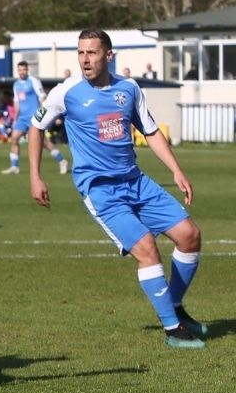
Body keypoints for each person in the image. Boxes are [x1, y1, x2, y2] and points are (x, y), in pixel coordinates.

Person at [29, 29, 206, 349]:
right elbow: (36, 126)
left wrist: (176, 170)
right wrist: (35, 177)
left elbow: (150, 131)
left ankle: (175, 307)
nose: (85, 59)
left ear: (109, 56)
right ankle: (172, 330)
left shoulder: (130, 88)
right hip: (101, 190)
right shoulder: (65, 92)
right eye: (81, 53)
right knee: (146, 247)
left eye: (92, 53)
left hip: (136, 181)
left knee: (190, 235)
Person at [1, 61, 69, 175]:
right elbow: (17, 102)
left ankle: (62, 161)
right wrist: (15, 119)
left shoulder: (34, 81)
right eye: (20, 70)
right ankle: (14, 166)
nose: (22, 72)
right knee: (14, 138)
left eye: (24, 69)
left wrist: (50, 114)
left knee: (44, 143)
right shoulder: (16, 84)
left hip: (34, 118)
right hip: (22, 118)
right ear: (17, 70)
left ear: (27, 70)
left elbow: (43, 98)